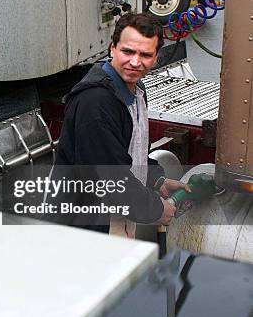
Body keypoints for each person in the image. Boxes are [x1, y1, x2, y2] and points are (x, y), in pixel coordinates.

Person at [54, 13, 189, 237]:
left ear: (156, 58)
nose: (135, 62)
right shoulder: (95, 103)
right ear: (112, 49)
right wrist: (155, 209)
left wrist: (157, 180)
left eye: (145, 54)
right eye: (128, 51)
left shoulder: (136, 92)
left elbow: (127, 152)